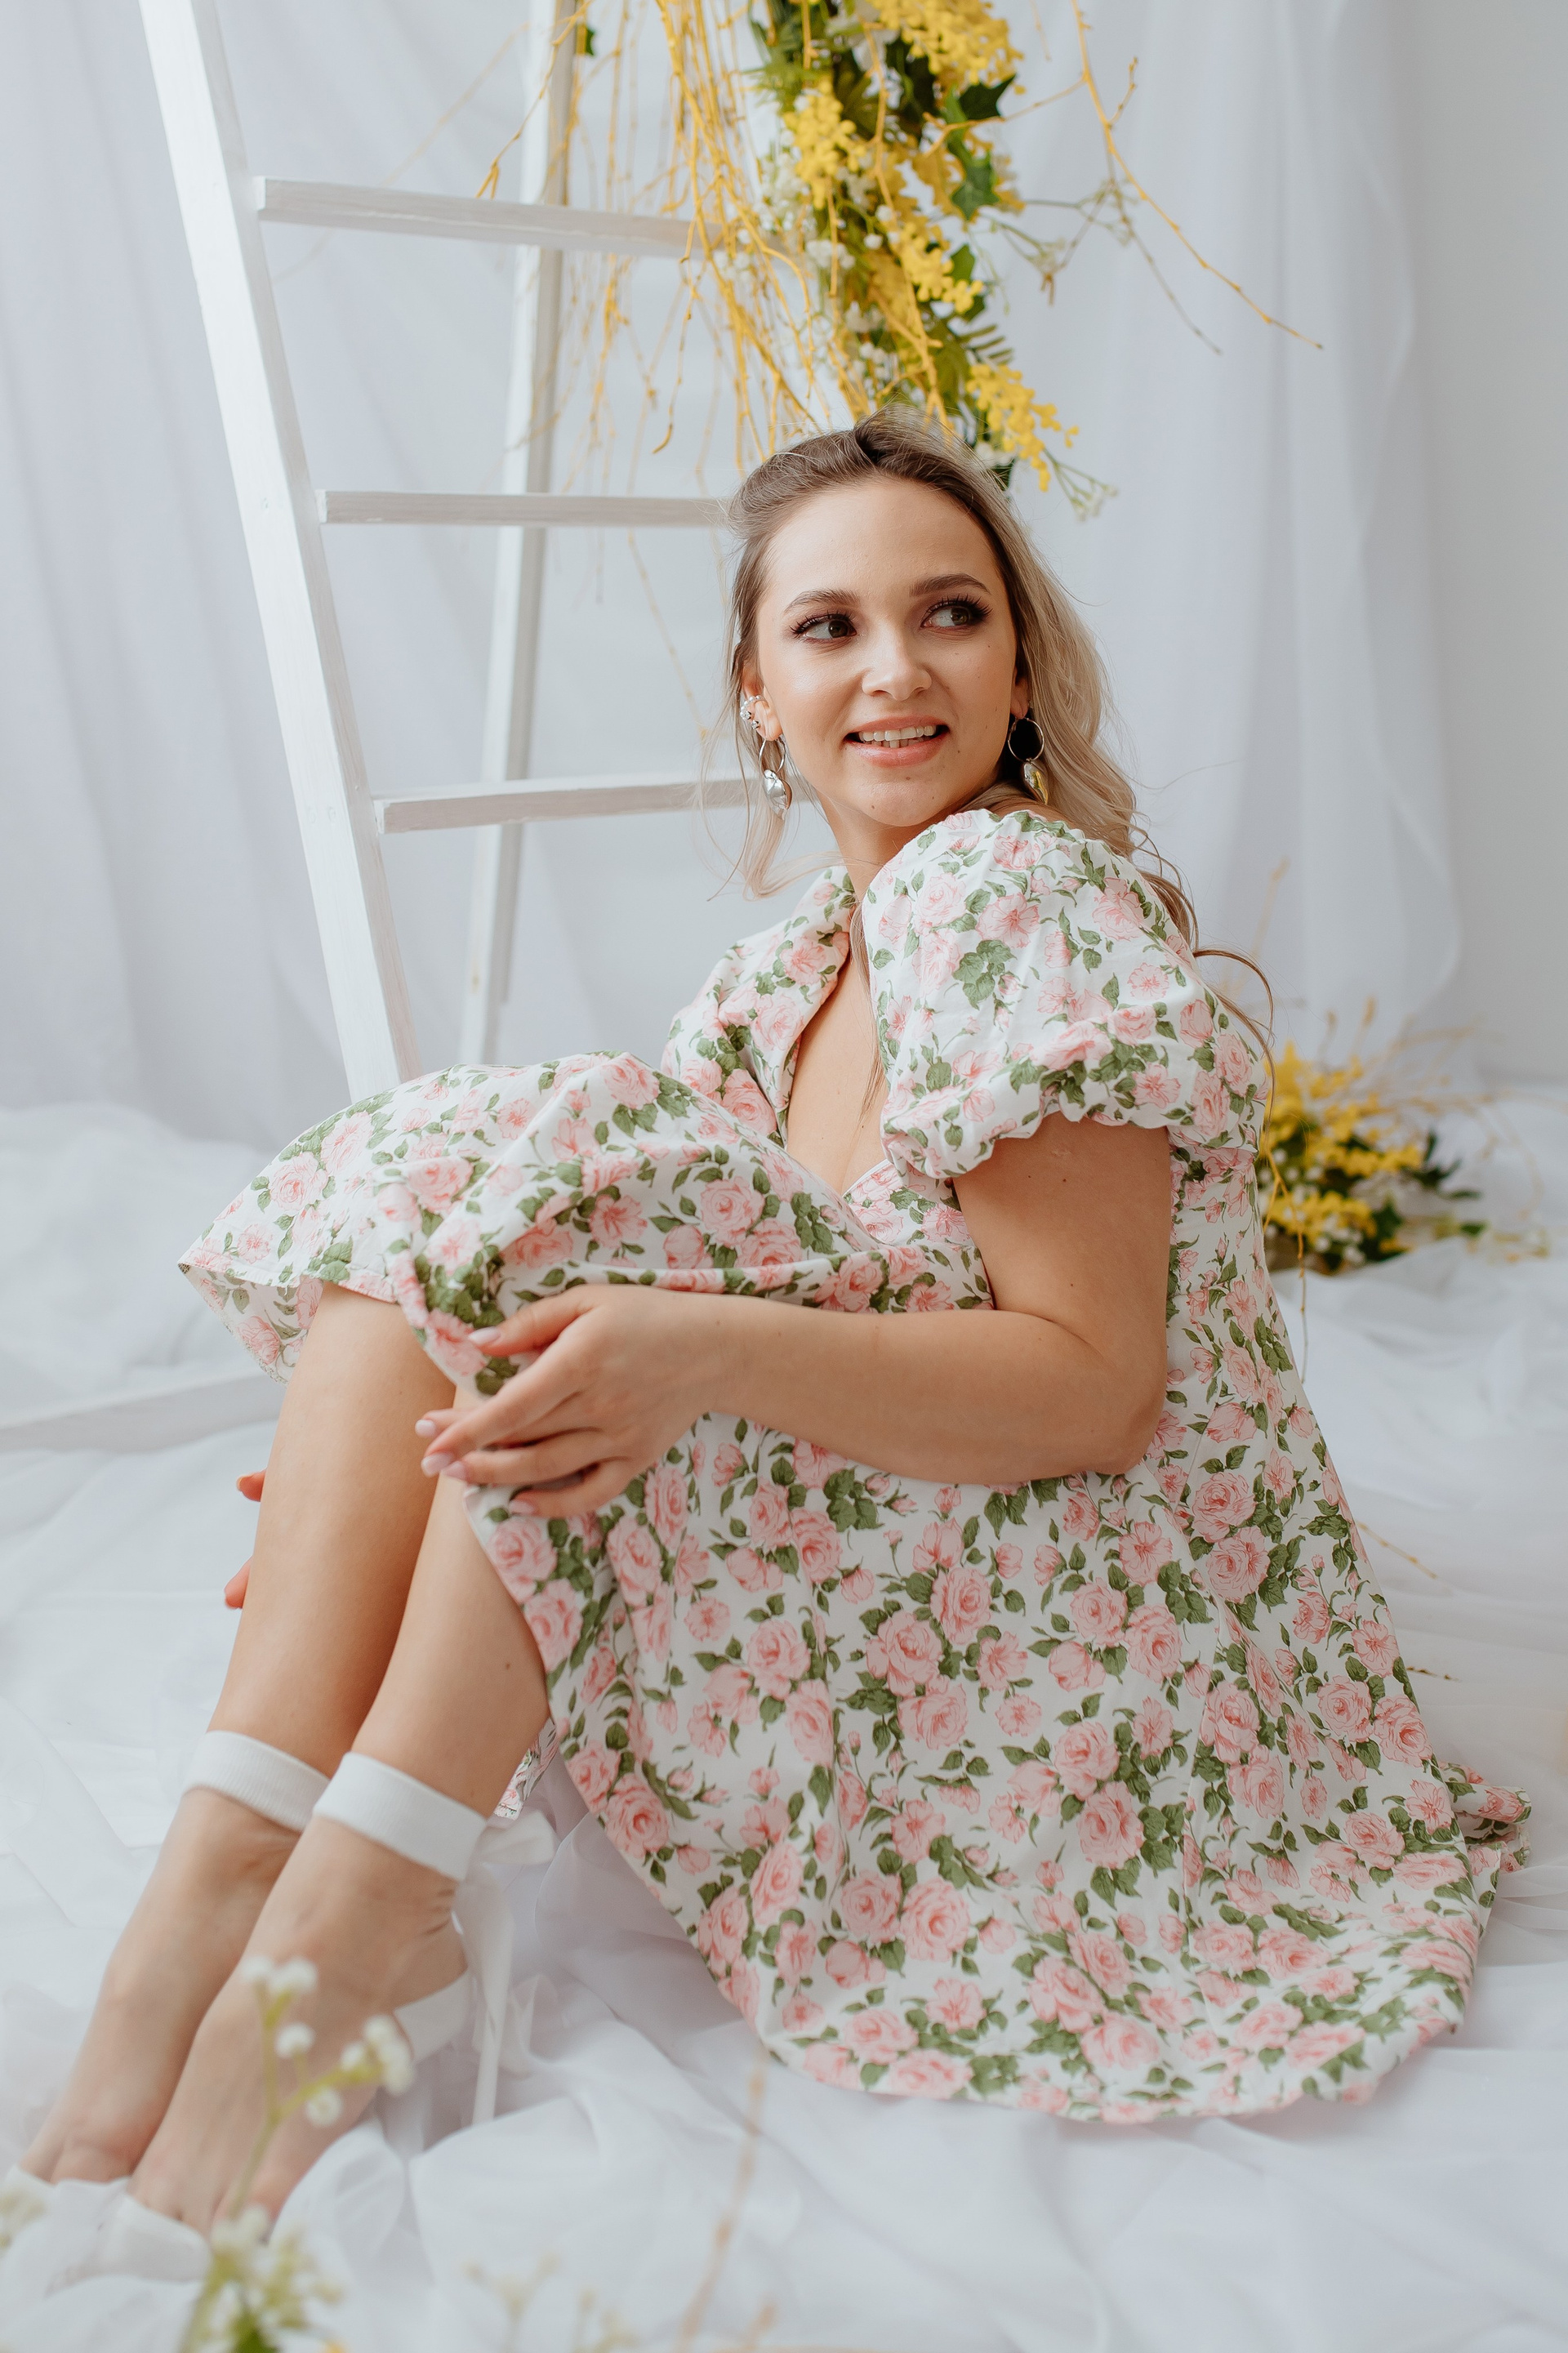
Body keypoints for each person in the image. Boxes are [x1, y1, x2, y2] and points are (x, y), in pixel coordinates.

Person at [20, 411, 1521, 2244]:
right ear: (756, 693)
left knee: (586, 1209)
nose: (896, 669)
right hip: (915, 1528)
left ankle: (351, 1906)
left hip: (1096, 1613)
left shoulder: (1017, 896)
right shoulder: (788, 970)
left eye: (951, 614)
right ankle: (236, 1858)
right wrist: (390, 1485)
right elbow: (578, 1269)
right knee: (497, 1203)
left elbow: (1096, 1391)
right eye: (829, 628)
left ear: (1022, 667)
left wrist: (683, 1351)